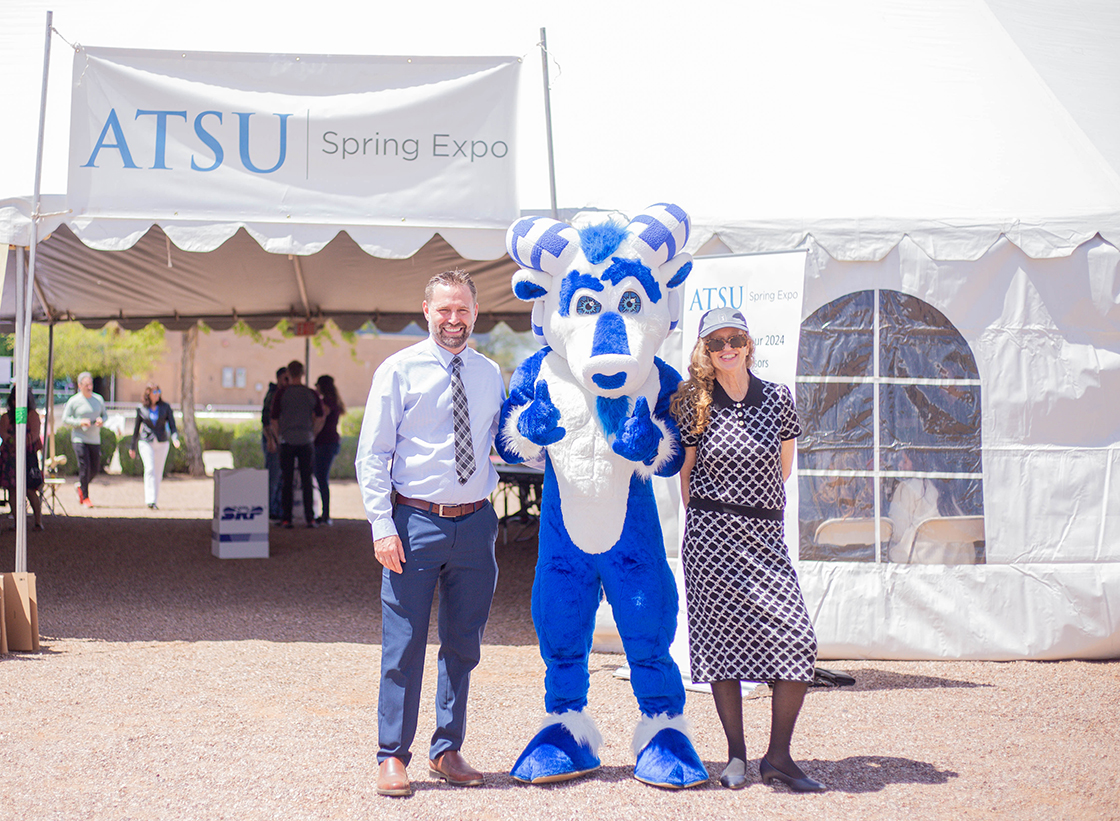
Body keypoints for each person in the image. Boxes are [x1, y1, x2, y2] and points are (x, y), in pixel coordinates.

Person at [355, 269, 504, 797]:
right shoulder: (398, 371)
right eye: (444, 310)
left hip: (476, 522)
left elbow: (499, 443)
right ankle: (392, 755)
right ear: (426, 311)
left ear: (475, 312)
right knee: (405, 644)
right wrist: (381, 525)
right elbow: (372, 454)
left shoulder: (490, 374)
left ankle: (447, 749)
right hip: (413, 523)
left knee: (464, 644)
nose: (453, 320)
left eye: (462, 309)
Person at [670, 307, 825, 793]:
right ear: (705, 350)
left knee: (797, 641)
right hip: (711, 538)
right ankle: (735, 755)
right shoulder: (693, 402)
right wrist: (720, 515)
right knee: (722, 649)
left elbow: (783, 470)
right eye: (716, 342)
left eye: (734, 338)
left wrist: (751, 510)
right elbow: (687, 480)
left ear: (748, 342)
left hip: (764, 537)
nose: (726, 348)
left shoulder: (778, 398)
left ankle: (777, 757)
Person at [270, 360, 324, 528]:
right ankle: (310, 517)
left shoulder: (282, 393)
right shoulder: (310, 393)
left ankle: (287, 518)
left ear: (288, 373)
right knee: (307, 479)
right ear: (303, 373)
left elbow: (273, 419)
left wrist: (279, 436)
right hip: (306, 440)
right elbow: (321, 416)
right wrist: (312, 433)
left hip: (287, 440)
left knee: (287, 480)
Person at [128, 383, 180, 509]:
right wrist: (132, 447)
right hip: (146, 442)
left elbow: (172, 425)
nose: (157, 395)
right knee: (150, 469)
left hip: (162, 443)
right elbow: (136, 429)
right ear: (148, 394)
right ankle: (149, 499)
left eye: (159, 392)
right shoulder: (141, 408)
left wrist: (175, 438)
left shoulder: (165, 407)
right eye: (154, 392)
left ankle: (154, 500)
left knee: (158, 472)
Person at [61, 372, 107, 508]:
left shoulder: (98, 399)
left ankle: (81, 486)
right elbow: (65, 419)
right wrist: (79, 422)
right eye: (86, 385)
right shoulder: (74, 401)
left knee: (94, 469)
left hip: (94, 439)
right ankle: (86, 497)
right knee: (84, 466)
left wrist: (101, 421)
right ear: (80, 386)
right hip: (79, 438)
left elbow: (105, 416)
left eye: (90, 384)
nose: (89, 387)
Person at [0, 389, 44, 530]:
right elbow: (3, 433)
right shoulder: (6, 417)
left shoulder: (32, 415)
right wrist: (13, 441)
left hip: (27, 456)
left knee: (30, 489)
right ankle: (17, 522)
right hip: (10, 458)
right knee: (13, 490)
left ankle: (38, 521)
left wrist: (19, 443)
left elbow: (34, 435)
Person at [312, 374, 344, 525]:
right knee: (322, 478)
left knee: (321, 478)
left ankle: (325, 514)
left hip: (324, 443)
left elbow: (320, 419)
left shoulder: (325, 402)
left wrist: (312, 435)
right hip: (331, 442)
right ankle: (325, 513)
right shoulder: (334, 401)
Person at [262, 366, 289, 521]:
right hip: (273, 439)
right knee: (273, 475)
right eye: (285, 378)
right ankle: (269, 509)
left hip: (280, 439)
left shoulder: (283, 394)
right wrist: (271, 439)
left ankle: (276, 508)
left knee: (280, 477)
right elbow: (266, 420)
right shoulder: (273, 394)